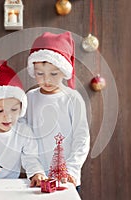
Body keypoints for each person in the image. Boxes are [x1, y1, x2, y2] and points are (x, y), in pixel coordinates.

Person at [25, 31, 90, 191]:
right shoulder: (29, 98)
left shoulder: (72, 99)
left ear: (64, 72)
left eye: (53, 74)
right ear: (33, 71)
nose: (46, 80)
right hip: (39, 180)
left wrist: (71, 170)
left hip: (67, 179)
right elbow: (25, 139)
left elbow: (81, 138)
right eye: (40, 74)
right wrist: (35, 170)